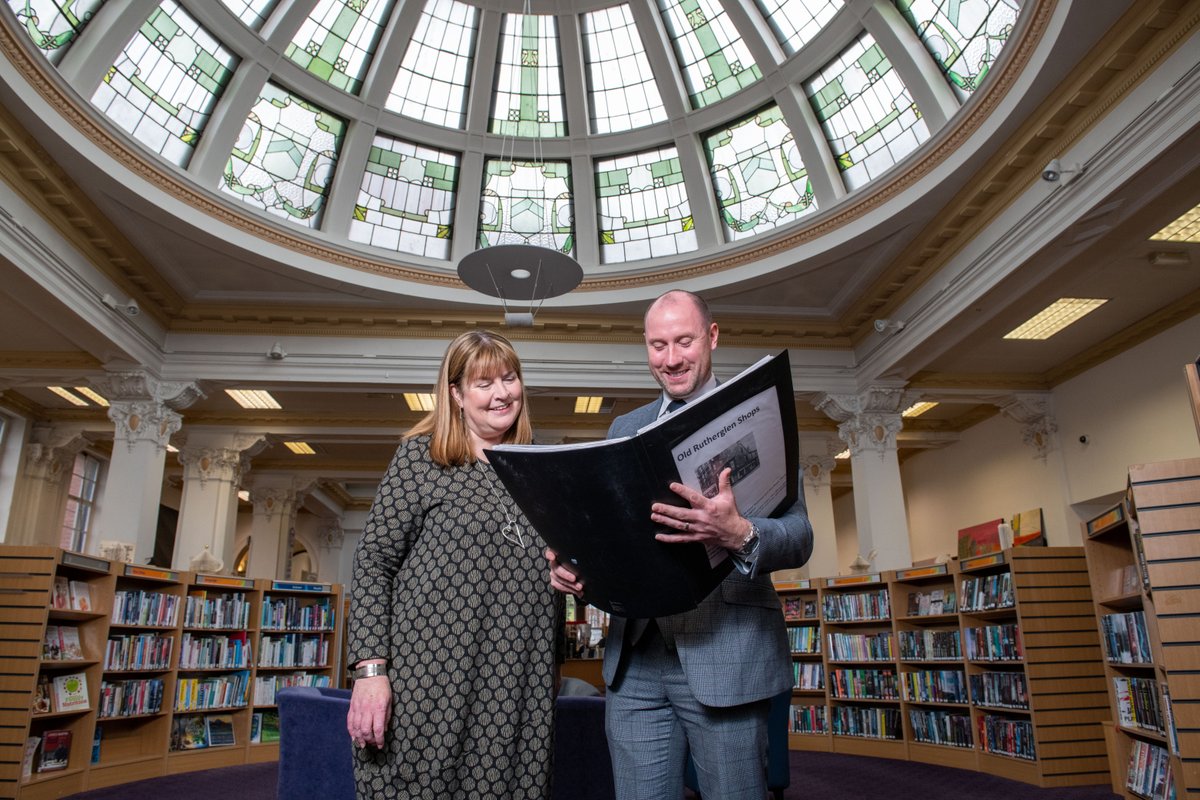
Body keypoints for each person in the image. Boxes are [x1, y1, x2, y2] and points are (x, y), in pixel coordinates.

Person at [548, 290, 814, 800]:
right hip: (636, 666)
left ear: (712, 336)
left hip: (727, 656)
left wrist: (739, 532)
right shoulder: (624, 428)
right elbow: (615, 540)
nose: (671, 359)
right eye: (657, 345)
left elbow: (800, 537)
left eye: (684, 342)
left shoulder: (758, 409)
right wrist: (581, 572)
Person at [346, 329, 562, 800]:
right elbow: (373, 565)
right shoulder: (420, 459)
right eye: (484, 383)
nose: (502, 393)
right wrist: (370, 672)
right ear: (456, 394)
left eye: (509, 378)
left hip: (517, 681)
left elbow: (559, 562)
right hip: (430, 679)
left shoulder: (542, 466)